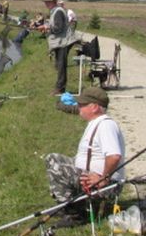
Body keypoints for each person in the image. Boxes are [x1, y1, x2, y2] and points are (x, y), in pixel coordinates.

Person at [44, 86, 125, 227]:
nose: (78, 107)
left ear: (94, 107)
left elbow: (114, 156)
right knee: (53, 158)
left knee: (56, 165)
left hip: (106, 185)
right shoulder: (96, 122)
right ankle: (70, 206)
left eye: (82, 105)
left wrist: (103, 179)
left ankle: (77, 215)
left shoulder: (106, 126)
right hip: (94, 178)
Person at [39, 0, 76, 95]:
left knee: (61, 65)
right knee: (59, 65)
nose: (46, 4)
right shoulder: (54, 11)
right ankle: (60, 87)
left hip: (64, 42)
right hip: (60, 42)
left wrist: (46, 28)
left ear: (53, 2)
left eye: (48, 2)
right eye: (45, 2)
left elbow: (58, 28)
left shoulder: (58, 11)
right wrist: (44, 26)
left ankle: (60, 88)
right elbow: (53, 24)